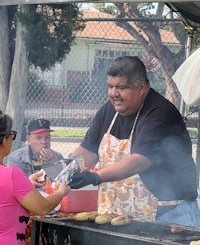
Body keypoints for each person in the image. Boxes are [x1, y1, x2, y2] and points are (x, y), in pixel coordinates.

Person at [69, 56, 200, 227]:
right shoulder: (110, 110)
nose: (113, 94)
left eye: (121, 87)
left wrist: (95, 176)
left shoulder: (160, 113)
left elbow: (139, 161)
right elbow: (88, 150)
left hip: (169, 216)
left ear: (141, 88)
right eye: (110, 87)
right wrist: (66, 168)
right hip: (121, 218)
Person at [0, 110, 70, 245]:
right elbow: (42, 208)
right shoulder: (11, 173)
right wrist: (61, 192)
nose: (43, 142)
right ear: (4, 141)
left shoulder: (56, 156)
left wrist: (26, 182)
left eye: (47, 137)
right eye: (11, 136)